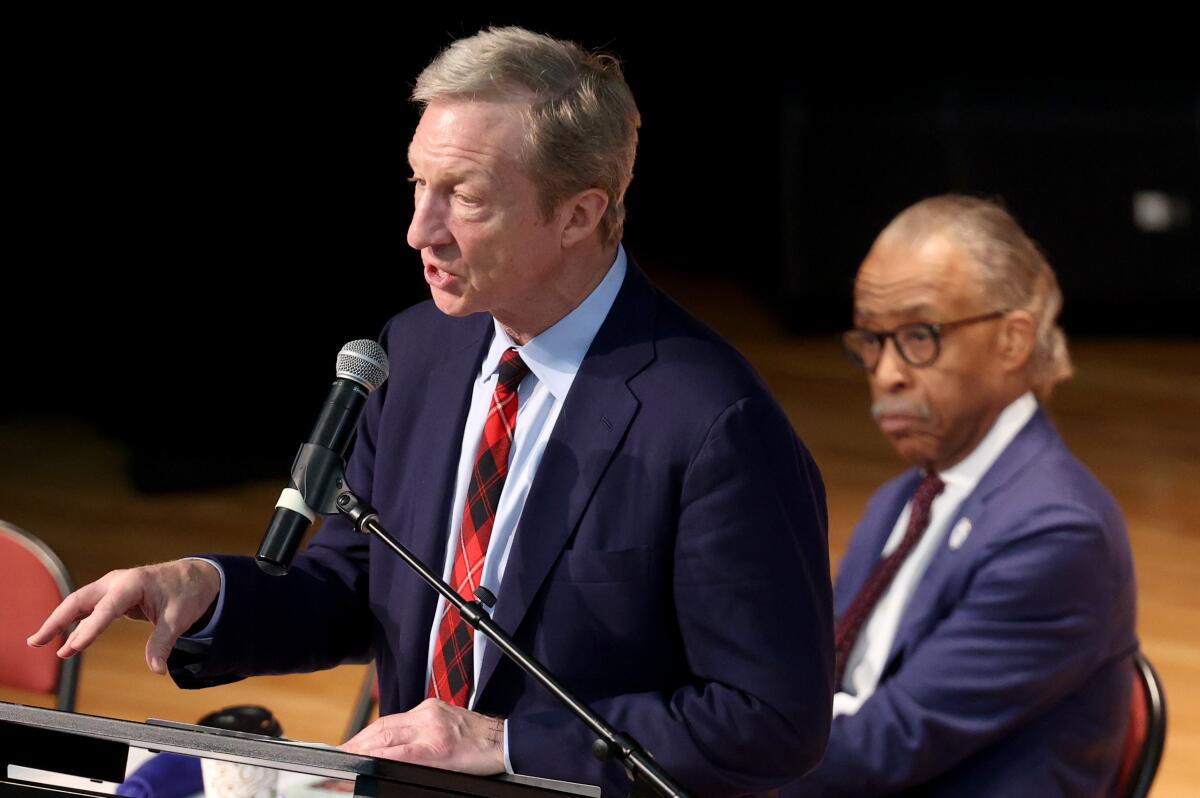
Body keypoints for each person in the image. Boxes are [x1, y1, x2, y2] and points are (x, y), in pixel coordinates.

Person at [30, 27, 833, 797]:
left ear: (581, 213)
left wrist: (503, 742)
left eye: (466, 198)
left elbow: (770, 721)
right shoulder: (416, 352)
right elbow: (354, 585)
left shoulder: (713, 422)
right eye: (418, 183)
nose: (420, 230)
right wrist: (207, 589)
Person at [785, 194, 1137, 797]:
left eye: (919, 336)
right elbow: (824, 686)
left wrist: (707, 752)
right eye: (872, 339)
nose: (887, 373)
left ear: (1012, 341)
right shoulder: (901, 500)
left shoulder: (1056, 532)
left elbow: (885, 746)